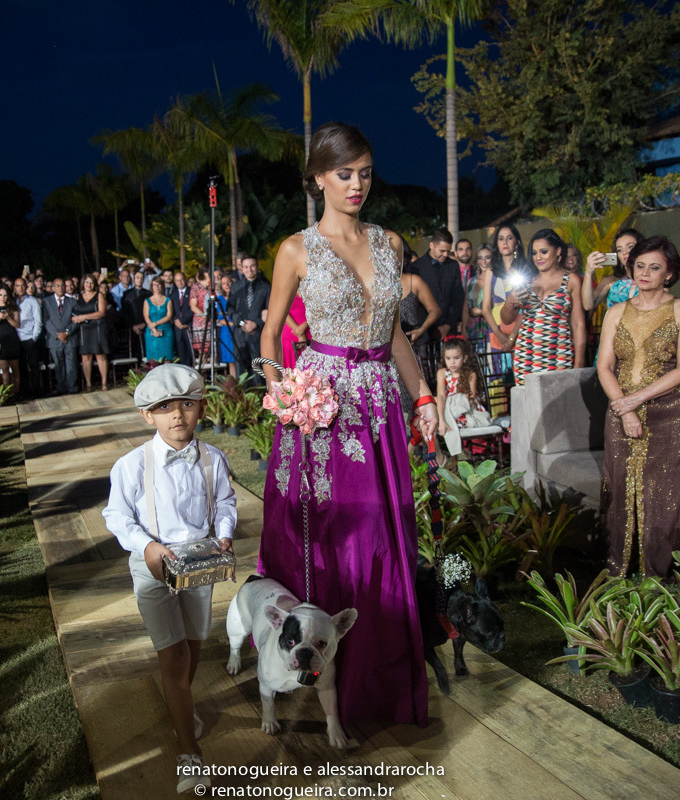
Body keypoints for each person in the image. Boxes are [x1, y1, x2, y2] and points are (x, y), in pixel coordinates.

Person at [255, 121, 433, 727]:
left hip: (379, 404)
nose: (356, 184)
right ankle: (306, 666)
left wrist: (425, 396)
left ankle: (378, 668)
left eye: (364, 173)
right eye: (343, 173)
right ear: (317, 178)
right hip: (321, 409)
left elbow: (393, 336)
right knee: (338, 535)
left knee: (385, 533)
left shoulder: (390, 244)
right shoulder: (295, 250)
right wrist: (282, 390)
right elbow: (272, 331)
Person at [101, 364, 237, 793]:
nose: (176, 414)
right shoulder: (130, 465)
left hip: (199, 563)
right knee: (173, 656)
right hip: (152, 566)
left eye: (186, 404)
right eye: (164, 408)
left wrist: (225, 535)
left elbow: (227, 503)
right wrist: (146, 547)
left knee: (194, 645)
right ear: (148, 416)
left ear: (201, 408)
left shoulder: (213, 459)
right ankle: (188, 752)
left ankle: (181, 704)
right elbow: (117, 515)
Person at [597, 237, 680, 578]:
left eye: (654, 267)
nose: (645, 272)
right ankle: (619, 567)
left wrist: (638, 399)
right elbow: (604, 367)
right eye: (639, 265)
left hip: (668, 412)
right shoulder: (616, 311)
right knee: (620, 485)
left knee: (663, 493)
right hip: (620, 410)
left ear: (670, 273)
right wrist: (624, 409)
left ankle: (659, 572)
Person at [506, 229, 587, 386]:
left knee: (559, 406)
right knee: (530, 407)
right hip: (526, 356)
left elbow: (578, 325)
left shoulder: (571, 280)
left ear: (558, 251)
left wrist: (578, 366)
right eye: (534, 253)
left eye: (543, 252)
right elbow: (507, 319)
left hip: (559, 355)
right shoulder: (527, 280)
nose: (538, 257)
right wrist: (511, 300)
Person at [480, 224, 530, 370]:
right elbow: (485, 308)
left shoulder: (525, 269)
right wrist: (500, 336)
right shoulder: (491, 271)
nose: (505, 242)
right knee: (498, 380)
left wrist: (512, 337)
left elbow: (527, 306)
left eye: (509, 238)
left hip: (520, 331)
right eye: (501, 239)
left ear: (517, 243)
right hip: (496, 330)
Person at [436, 336, 491, 457]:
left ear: (465, 358)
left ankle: (460, 453)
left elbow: (468, 401)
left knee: (456, 411)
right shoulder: (442, 373)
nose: (452, 362)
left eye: (456, 358)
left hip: (465, 410)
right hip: (446, 407)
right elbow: (441, 395)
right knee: (435, 406)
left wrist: (452, 404)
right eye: (448, 358)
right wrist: (442, 416)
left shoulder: (470, 374)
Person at [408, 228, 464, 339]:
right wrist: (427, 327)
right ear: (432, 245)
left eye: (448, 251)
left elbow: (458, 298)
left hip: (449, 330)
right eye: (442, 251)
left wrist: (447, 325)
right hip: (424, 331)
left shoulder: (453, 266)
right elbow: (414, 303)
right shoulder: (417, 267)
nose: (446, 254)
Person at [227, 255, 269, 379]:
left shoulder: (266, 287)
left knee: (258, 371)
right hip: (240, 334)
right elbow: (229, 308)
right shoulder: (236, 287)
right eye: (246, 267)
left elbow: (269, 312)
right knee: (241, 371)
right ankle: (242, 397)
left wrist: (255, 324)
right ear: (241, 268)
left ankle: (259, 396)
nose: (249, 269)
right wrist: (241, 323)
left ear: (257, 267)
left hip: (258, 334)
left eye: (252, 266)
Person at [73, 273, 110, 391]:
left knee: (100, 355)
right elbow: (74, 312)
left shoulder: (99, 295)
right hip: (84, 329)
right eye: (86, 282)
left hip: (98, 328)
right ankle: (88, 384)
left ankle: (104, 383)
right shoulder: (78, 297)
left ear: (94, 284)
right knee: (86, 357)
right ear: (83, 283)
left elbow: (102, 312)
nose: (88, 284)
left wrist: (84, 317)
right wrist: (76, 318)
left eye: (91, 282)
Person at [43, 279, 79, 395]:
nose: (60, 288)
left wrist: (67, 332)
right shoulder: (46, 302)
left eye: (62, 285)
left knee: (71, 364)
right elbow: (45, 320)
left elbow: (76, 320)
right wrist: (57, 334)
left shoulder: (72, 302)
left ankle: (72, 388)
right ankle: (61, 388)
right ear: (53, 288)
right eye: (57, 286)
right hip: (54, 339)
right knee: (59, 365)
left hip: (70, 338)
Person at [399, 268, 441, 364]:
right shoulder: (378, 284)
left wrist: (421, 330)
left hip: (415, 343)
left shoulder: (414, 281)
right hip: (391, 345)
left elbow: (435, 310)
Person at [0, 285, 22, 397]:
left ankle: (16, 392)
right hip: (0, 340)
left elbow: (17, 324)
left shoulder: (13, 307)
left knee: (15, 368)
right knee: (5, 369)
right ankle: (6, 394)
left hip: (12, 340)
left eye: (5, 295)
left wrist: (7, 317)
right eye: (1, 295)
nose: (3, 297)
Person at [14, 277, 42, 397]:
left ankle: (36, 390)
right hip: (16, 340)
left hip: (29, 338)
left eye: (22, 285)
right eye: (17, 286)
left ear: (26, 286)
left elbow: (38, 321)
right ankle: (24, 391)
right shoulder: (12, 301)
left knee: (34, 365)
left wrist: (34, 338)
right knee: (21, 367)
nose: (20, 288)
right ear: (14, 288)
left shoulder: (32, 301)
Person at [460, 244, 492, 349]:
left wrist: (480, 311)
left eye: (487, 257)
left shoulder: (496, 280)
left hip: (490, 327)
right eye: (480, 258)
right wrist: (464, 328)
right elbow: (465, 307)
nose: (484, 262)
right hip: (472, 329)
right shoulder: (472, 281)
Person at [144, 277, 176, 363]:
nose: (156, 287)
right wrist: (154, 329)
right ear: (151, 286)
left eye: (158, 284)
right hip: (151, 332)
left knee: (167, 358)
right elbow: (146, 317)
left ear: (162, 286)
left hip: (166, 331)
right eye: (154, 285)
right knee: (153, 360)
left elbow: (169, 316)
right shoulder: (147, 301)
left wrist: (155, 323)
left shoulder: (168, 300)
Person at [280, 291, 313, 368]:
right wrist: (299, 332)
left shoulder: (313, 285)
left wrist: (303, 327)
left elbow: (319, 309)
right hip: (290, 334)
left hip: (311, 331)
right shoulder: (285, 286)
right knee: (292, 372)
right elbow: (282, 311)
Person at [170, 272, 195, 367]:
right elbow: (171, 310)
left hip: (189, 326)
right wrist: (176, 320)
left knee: (192, 353)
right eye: (177, 280)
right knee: (182, 354)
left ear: (185, 280)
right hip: (178, 329)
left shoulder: (192, 292)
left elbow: (193, 308)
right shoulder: (173, 294)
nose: (180, 282)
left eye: (181, 280)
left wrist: (183, 321)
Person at [214, 274, 236, 376]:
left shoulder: (238, 296)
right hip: (227, 331)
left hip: (239, 330)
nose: (227, 285)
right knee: (231, 361)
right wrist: (233, 323)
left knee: (240, 359)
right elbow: (219, 319)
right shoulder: (219, 299)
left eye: (229, 282)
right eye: (223, 283)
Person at [189, 269, 212, 358]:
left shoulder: (214, 285)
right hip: (201, 322)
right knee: (203, 351)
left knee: (214, 350)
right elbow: (193, 306)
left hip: (214, 320)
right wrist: (205, 316)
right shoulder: (196, 287)